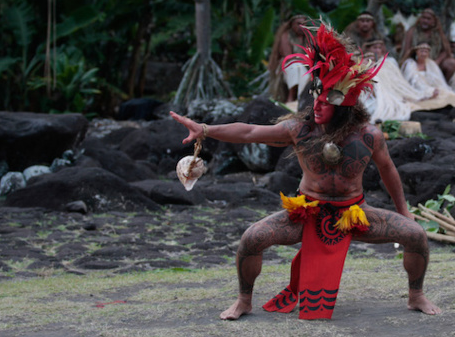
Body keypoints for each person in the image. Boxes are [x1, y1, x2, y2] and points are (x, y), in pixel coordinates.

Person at [171, 23, 441, 321]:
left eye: (326, 102)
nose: (317, 106)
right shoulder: (299, 130)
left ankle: (416, 295)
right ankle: (244, 301)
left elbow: (389, 170)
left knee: (416, 236)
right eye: (316, 97)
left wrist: (403, 210)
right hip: (307, 213)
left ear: (344, 105)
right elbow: (248, 132)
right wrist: (205, 129)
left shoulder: (368, 135)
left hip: (355, 213)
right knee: (251, 239)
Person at [359, 39, 431, 123]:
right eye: (375, 48)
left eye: (379, 48)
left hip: (392, 94)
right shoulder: (363, 63)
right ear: (368, 49)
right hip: (375, 96)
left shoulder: (389, 62)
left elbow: (398, 82)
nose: (378, 50)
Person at [401, 9, 455, 81]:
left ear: (433, 21)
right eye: (423, 18)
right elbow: (407, 51)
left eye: (428, 19)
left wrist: (437, 61)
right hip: (416, 61)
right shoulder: (412, 31)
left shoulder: (438, 33)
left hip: (434, 61)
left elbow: (445, 51)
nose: (425, 21)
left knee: (451, 63)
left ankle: (445, 83)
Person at [267, 14, 310, 103]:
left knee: (300, 68)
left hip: (304, 65)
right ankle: (292, 97)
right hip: (287, 64)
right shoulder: (286, 36)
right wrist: (305, 59)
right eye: (298, 24)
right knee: (296, 67)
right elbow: (288, 56)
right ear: (292, 24)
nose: (301, 26)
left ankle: (298, 99)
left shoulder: (308, 38)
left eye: (304, 24)